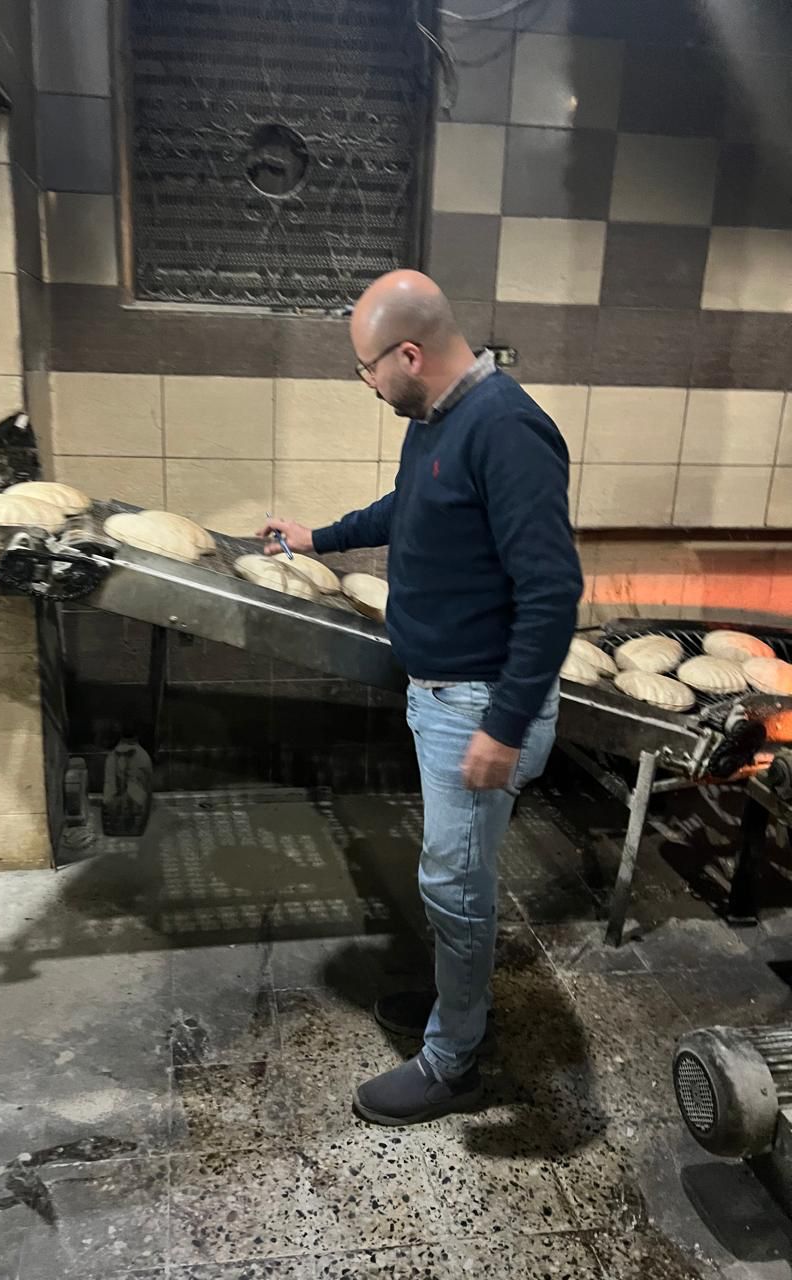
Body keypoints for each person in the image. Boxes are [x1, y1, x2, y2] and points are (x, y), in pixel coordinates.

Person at [258, 270, 583, 1126]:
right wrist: (319, 537)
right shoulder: (439, 418)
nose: (366, 383)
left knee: (456, 888)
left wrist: (503, 727)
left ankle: (453, 1062)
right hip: (444, 697)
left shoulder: (507, 429)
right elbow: (414, 505)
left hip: (479, 706)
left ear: (409, 354)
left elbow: (552, 592)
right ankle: (456, 1003)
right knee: (450, 883)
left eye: (367, 368)